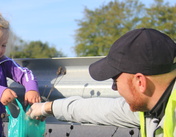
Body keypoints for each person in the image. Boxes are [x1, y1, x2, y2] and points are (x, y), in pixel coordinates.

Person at [26, 28, 176, 137]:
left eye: (115, 82)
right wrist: (47, 107)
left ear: (140, 82)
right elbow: (101, 109)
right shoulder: (152, 106)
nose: (114, 88)